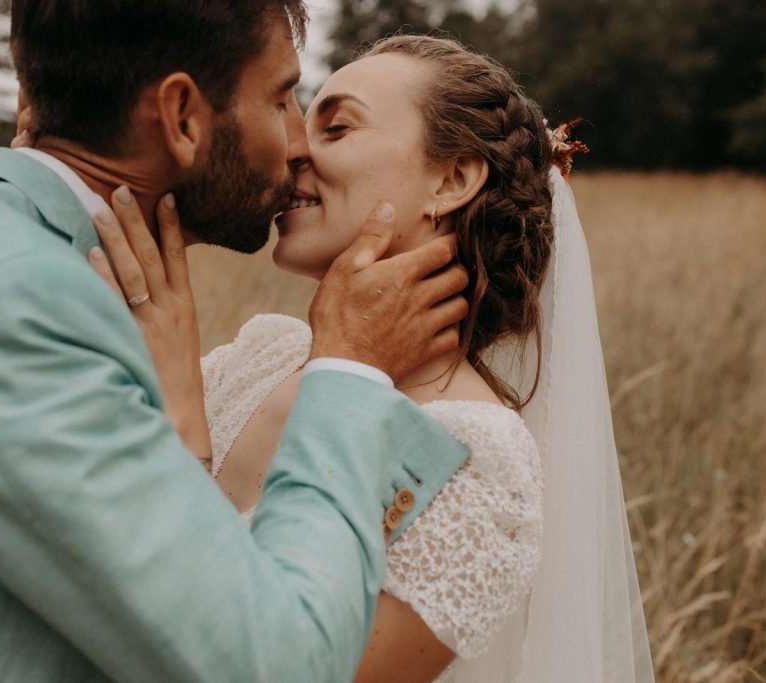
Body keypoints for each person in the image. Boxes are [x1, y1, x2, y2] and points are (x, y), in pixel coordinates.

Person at [0, 4, 475, 681]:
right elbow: (275, 664)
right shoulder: (23, 307)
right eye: (280, 98)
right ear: (183, 116)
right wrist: (350, 368)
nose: (296, 141)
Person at [93, 36, 656, 682]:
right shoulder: (263, 356)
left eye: (337, 126)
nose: (296, 146)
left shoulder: (475, 458)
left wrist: (178, 424)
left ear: (452, 179)